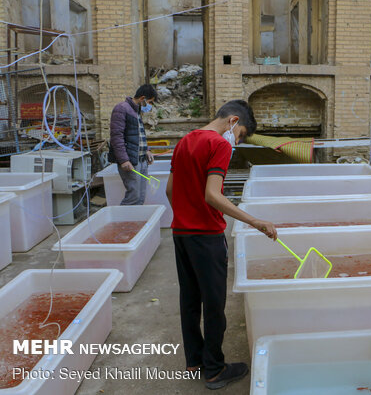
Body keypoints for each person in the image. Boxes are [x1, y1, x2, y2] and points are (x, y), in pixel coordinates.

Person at [165, 100, 277, 390]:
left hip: (181, 233)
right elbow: (213, 195)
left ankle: (194, 360)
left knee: (189, 299)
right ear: (233, 121)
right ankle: (214, 369)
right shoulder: (219, 145)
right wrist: (256, 221)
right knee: (214, 304)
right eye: (239, 134)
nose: (236, 141)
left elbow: (169, 189)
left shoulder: (184, 141)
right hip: (206, 235)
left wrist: (184, 214)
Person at [108, 84, 157, 205]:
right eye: (149, 102)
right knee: (133, 197)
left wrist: (147, 150)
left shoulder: (136, 111)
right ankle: (122, 222)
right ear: (142, 98)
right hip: (131, 160)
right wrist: (124, 160)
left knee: (140, 197)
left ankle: (135, 222)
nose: (149, 106)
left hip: (141, 159)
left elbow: (139, 135)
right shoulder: (121, 108)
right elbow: (116, 136)